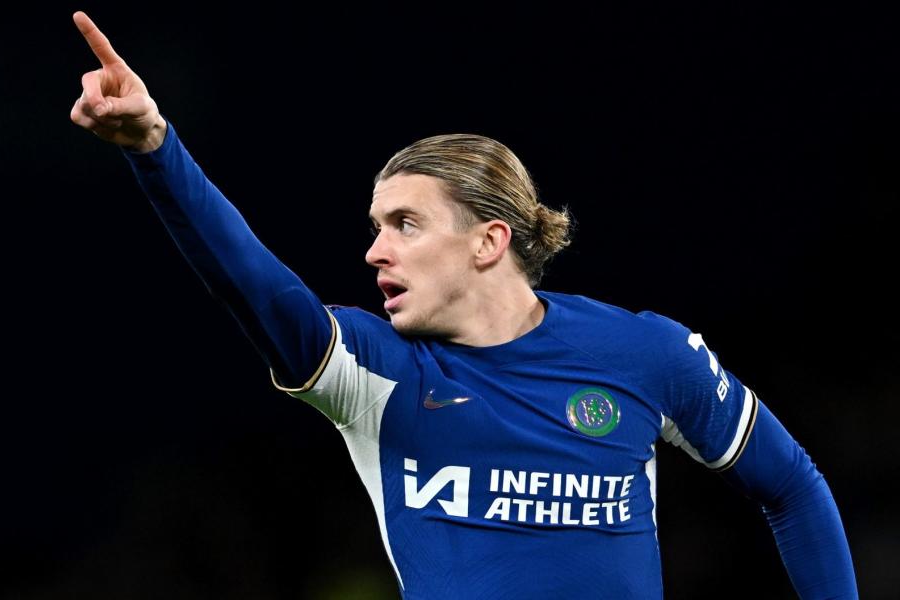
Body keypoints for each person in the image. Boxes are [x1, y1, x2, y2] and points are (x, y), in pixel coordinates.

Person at [69, 10, 859, 599]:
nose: (375, 251)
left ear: (489, 240)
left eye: (405, 225)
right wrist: (154, 148)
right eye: (375, 228)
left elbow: (792, 487)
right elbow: (250, 281)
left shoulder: (647, 354)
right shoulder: (375, 377)